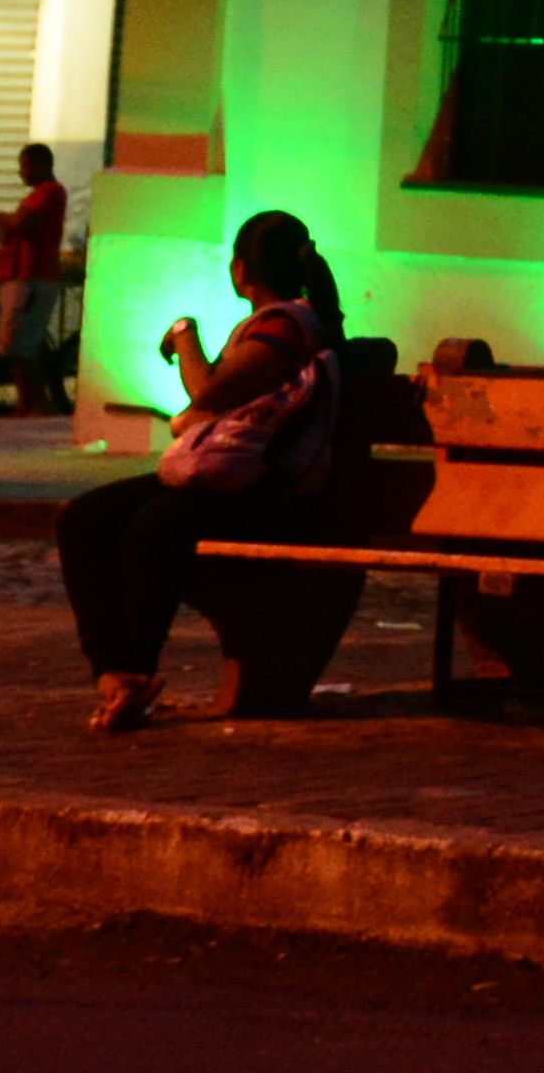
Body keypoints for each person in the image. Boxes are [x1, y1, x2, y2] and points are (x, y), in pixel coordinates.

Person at [58, 211, 348, 734]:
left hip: (271, 492)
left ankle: (136, 670)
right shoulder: (278, 323)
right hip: (236, 477)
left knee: (155, 527)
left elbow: (209, 391)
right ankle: (115, 670)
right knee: (85, 518)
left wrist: (183, 333)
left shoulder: (287, 326)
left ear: (240, 271)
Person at [0, 141, 79, 416]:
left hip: (34, 277)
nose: (21, 173)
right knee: (18, 344)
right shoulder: (38, 196)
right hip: (21, 277)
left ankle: (33, 404)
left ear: (41, 166)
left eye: (24, 166)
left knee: (22, 344)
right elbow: (11, 230)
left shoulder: (50, 193)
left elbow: (21, 223)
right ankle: (29, 403)